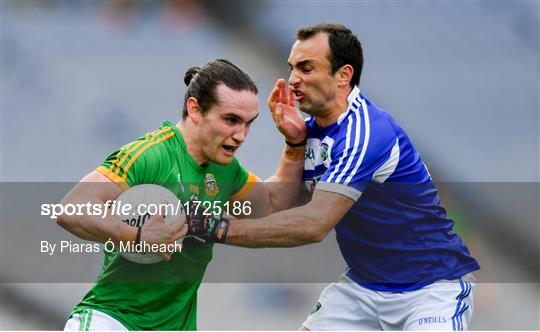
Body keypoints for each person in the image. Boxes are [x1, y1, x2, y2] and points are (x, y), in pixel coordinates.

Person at [188, 24, 481, 330]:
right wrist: (294, 145)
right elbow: (275, 202)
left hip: (430, 289)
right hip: (362, 288)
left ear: (343, 75)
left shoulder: (366, 131)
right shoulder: (312, 130)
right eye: (292, 68)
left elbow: (315, 224)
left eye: (306, 68)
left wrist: (216, 229)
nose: (293, 80)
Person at [57, 58, 306, 330]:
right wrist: (138, 236)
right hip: (114, 321)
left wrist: (295, 144)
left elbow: (272, 203)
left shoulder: (227, 170)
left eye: (249, 123)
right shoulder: (150, 155)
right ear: (195, 109)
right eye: (231, 120)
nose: (241, 135)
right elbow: (72, 208)